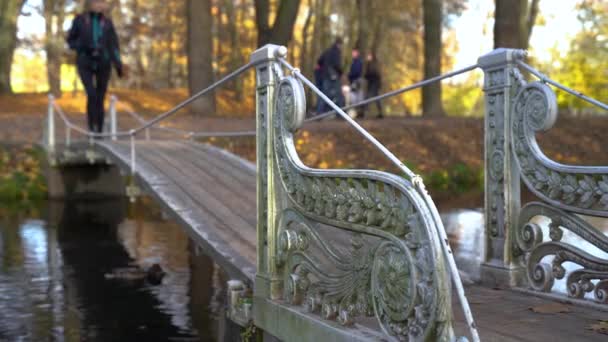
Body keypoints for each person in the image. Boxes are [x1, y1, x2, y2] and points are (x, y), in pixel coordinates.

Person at [67, 0, 124, 134]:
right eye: (96, 2)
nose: (99, 5)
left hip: (103, 62)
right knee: (91, 94)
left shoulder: (108, 23)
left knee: (100, 96)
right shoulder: (80, 20)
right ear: (90, 4)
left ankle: (99, 129)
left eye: (102, 2)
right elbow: (70, 41)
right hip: (85, 61)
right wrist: (81, 46)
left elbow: (114, 45)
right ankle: (91, 126)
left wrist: (118, 65)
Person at [317, 38, 344, 114]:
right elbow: (337, 64)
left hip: (325, 76)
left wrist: (324, 69)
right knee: (339, 95)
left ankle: (319, 112)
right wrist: (341, 73)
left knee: (324, 94)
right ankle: (341, 114)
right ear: (339, 44)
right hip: (334, 76)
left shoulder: (327, 51)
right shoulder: (337, 52)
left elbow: (319, 61)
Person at [364, 52, 383, 119]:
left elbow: (375, 74)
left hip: (374, 83)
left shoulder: (374, 64)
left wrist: (367, 76)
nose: (367, 57)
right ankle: (366, 112)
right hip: (371, 83)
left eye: (368, 56)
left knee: (370, 97)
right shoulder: (369, 64)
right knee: (373, 98)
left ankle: (366, 112)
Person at [347, 47, 364, 118]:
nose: (352, 54)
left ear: (357, 53)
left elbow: (356, 72)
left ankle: (360, 113)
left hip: (356, 81)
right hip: (354, 80)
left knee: (357, 97)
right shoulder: (354, 61)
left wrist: (350, 75)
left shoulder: (358, 62)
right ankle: (358, 113)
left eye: (354, 52)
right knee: (354, 97)